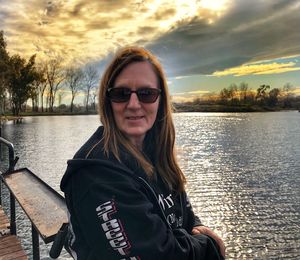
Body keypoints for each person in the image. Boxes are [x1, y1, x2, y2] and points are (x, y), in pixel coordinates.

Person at [60, 46, 225, 260]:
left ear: (160, 100)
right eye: (121, 94)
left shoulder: (157, 155)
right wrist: (209, 244)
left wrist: (197, 226)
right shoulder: (96, 174)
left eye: (147, 94)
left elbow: (183, 215)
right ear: (108, 101)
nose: (134, 104)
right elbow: (158, 254)